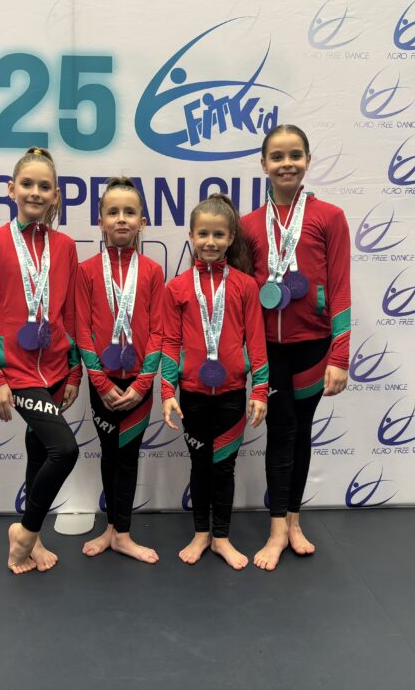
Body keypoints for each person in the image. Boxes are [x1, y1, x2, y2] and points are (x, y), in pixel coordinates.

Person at [241, 124, 351, 572]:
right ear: (263, 164)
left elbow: (340, 287)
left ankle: (293, 521)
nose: (286, 164)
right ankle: (276, 530)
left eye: (294, 155)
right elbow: (243, 295)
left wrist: (340, 355)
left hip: (313, 347)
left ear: (307, 160)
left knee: (300, 431)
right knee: (279, 430)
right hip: (268, 349)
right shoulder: (249, 225)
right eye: (277, 156)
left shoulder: (330, 217)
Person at [0, 147, 82, 575]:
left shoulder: (65, 247)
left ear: (56, 195)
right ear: (11, 189)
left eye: (44, 186)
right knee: (65, 450)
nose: (35, 192)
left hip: (54, 368)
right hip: (16, 373)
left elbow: (70, 313)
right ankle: (25, 533)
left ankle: (33, 538)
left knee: (40, 453)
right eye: (28, 184)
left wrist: (73, 371)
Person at [161, 193, 268, 571]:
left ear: (231, 237)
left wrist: (260, 389)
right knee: (199, 464)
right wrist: (167, 390)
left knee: (223, 466)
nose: (210, 241)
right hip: (191, 394)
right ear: (191, 235)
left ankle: (221, 536)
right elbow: (170, 343)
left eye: (218, 234)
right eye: (203, 233)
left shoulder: (245, 286)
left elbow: (256, 342)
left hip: (231, 395)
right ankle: (200, 533)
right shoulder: (176, 288)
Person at [75, 177, 164, 564]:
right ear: (100, 221)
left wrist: (143, 384)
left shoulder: (153, 271)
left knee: (128, 455)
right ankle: (111, 528)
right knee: (108, 454)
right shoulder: (86, 271)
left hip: (138, 384)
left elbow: (159, 331)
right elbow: (81, 328)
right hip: (104, 383)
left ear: (142, 222)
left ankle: (123, 534)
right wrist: (99, 381)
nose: (122, 219)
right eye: (113, 212)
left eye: (130, 212)